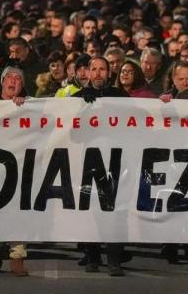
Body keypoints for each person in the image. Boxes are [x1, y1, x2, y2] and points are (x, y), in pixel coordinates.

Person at [75, 56, 128, 276]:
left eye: (102, 69)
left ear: (109, 72)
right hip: (88, 162)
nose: (98, 73)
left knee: (114, 211)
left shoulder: (121, 97)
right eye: (93, 69)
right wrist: (82, 109)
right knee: (90, 210)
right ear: (87, 72)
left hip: (115, 162)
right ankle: (92, 257)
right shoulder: (77, 98)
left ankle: (114, 260)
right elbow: (71, 134)